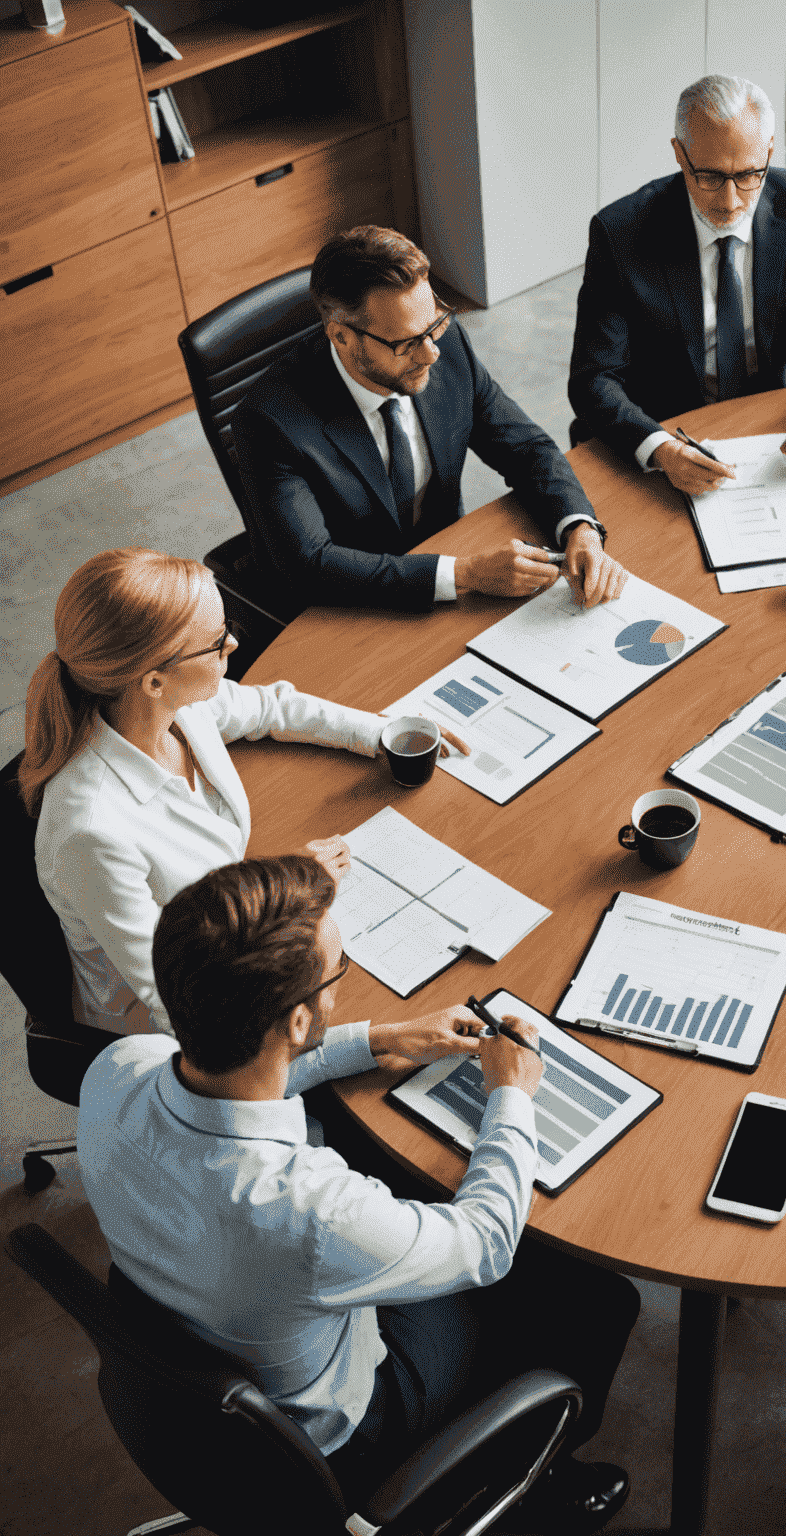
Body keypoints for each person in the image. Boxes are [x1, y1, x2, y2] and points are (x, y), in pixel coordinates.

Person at [76, 854, 638, 1528]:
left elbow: (231, 1079)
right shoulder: (310, 1211)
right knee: (596, 1294)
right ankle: (530, 1477)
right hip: (347, 1435)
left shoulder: (114, 1070)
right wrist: (510, 1095)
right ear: (296, 1022)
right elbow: (487, 1245)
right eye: (335, 978)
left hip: (198, 1367)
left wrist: (377, 1040)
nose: (338, 991)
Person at [25, 548, 465, 1037]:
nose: (233, 644)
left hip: (226, 936)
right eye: (216, 643)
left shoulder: (172, 708)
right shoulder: (90, 831)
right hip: (170, 1027)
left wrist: (381, 734)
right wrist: (281, 896)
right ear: (153, 679)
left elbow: (269, 708)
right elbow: (181, 998)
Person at [233, 224, 628, 612]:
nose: (430, 355)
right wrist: (465, 574)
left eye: (433, 325)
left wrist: (579, 527)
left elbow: (525, 448)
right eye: (405, 343)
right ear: (341, 336)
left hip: (441, 561)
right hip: (345, 608)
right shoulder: (268, 422)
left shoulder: (447, 344)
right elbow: (311, 565)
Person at [568, 74, 786, 497]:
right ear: (680, 155)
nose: (731, 201)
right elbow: (593, 379)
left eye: (750, 175)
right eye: (711, 177)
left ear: (770, 153)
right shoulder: (619, 234)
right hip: (673, 419)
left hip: (783, 404)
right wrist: (660, 449)